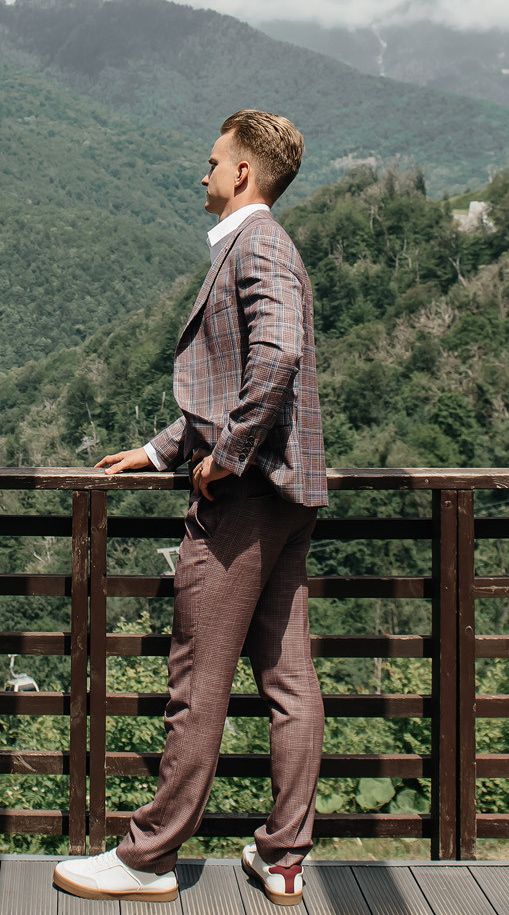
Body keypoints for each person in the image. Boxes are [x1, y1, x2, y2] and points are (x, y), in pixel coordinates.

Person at [53, 110, 327, 907]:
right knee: (288, 676)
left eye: (212, 161)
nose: (201, 173)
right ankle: (282, 856)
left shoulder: (260, 243)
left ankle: (148, 857)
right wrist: (165, 448)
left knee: (196, 677)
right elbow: (239, 370)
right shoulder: (261, 245)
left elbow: (277, 355)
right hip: (287, 495)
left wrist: (227, 456)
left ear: (243, 172)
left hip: (246, 497)